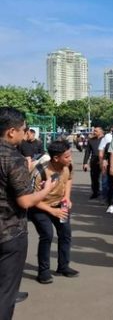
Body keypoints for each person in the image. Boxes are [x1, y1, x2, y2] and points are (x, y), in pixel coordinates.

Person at [0, 107, 56, 319]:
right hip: (10, 232)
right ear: (11, 131)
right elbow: (25, 201)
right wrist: (46, 191)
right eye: (23, 129)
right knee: (5, 294)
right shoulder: (14, 158)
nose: (26, 134)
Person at [29, 140, 79, 284]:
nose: (70, 159)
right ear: (56, 158)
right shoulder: (39, 171)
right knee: (47, 235)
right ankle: (43, 272)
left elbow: (69, 179)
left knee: (65, 234)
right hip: (40, 207)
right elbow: (31, 198)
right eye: (67, 156)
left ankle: (63, 267)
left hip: (60, 205)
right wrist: (52, 211)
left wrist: (66, 197)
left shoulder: (67, 165)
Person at [83, 126, 103, 199]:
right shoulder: (91, 140)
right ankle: (95, 192)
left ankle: (104, 194)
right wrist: (85, 163)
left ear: (101, 132)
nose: (94, 132)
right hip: (94, 161)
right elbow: (87, 152)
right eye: (94, 131)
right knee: (94, 178)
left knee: (103, 178)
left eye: (96, 131)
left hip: (103, 161)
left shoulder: (105, 140)